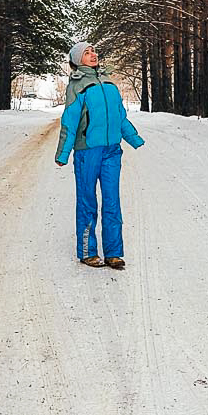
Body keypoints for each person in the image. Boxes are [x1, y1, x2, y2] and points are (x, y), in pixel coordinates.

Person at [55, 41, 144, 270]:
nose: (92, 54)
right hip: (87, 151)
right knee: (87, 201)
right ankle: (87, 251)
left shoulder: (109, 84)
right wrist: (63, 153)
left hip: (112, 150)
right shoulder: (77, 86)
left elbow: (120, 117)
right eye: (86, 52)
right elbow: (70, 120)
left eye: (93, 51)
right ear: (77, 60)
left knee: (112, 201)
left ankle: (114, 253)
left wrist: (134, 139)